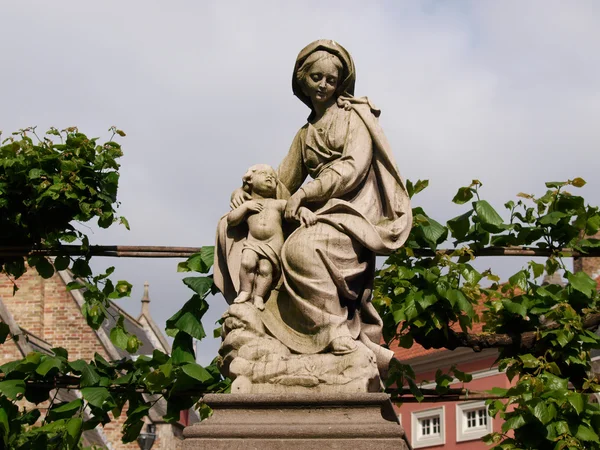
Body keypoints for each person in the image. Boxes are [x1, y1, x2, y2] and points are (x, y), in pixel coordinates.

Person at [216, 40, 412, 372]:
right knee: (235, 226)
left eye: (331, 80)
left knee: (301, 249)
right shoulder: (304, 135)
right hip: (316, 214)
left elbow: (352, 167)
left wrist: (307, 194)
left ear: (341, 83)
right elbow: (281, 184)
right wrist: (247, 190)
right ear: (303, 80)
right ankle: (277, 329)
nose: (323, 85)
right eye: (316, 77)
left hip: (352, 212)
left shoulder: (354, 118)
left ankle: (335, 334)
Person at [227, 164, 317, 310]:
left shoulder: (278, 204)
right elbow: (231, 220)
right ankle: (245, 291)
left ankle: (259, 297)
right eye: (263, 173)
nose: (270, 177)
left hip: (273, 243)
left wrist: (304, 211)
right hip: (253, 241)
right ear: (249, 180)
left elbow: (294, 209)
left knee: (265, 270)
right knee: (247, 263)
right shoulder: (248, 204)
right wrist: (245, 207)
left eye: (273, 177)